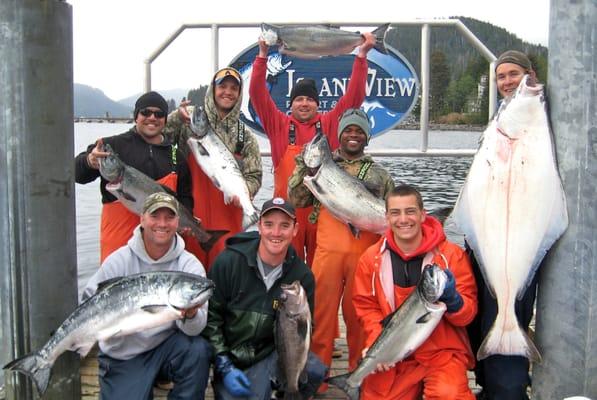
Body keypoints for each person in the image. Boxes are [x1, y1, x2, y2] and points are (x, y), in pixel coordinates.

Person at [288, 108, 395, 390]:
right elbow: (297, 198)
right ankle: (316, 380)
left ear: (367, 137)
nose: (353, 135)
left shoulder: (380, 175)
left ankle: (358, 379)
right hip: (327, 255)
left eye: (359, 130)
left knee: (359, 320)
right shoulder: (320, 166)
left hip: (366, 256)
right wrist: (303, 164)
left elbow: (394, 216)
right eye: (348, 130)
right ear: (340, 135)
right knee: (320, 318)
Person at [249, 32, 376, 267]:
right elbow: (257, 94)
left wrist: (361, 56)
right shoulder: (279, 125)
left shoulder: (329, 123)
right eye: (299, 99)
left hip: (325, 212)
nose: (304, 103)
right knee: (286, 271)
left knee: (320, 274)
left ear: (318, 104)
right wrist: (262, 55)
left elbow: (354, 96)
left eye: (309, 99)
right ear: (291, 104)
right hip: (287, 215)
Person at [352, 184, 478, 400]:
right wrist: (377, 345)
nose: (403, 219)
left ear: (422, 215)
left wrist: (454, 301)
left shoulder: (452, 255)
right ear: (387, 218)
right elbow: (367, 308)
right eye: (395, 213)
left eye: (410, 211)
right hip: (396, 351)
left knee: (449, 394)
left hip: (442, 351)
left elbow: (468, 315)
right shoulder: (370, 259)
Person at [81, 192, 211, 399]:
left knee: (197, 350)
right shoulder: (119, 261)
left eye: (169, 217)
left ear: (177, 222)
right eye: (155, 216)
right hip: (124, 354)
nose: (162, 223)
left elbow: (195, 330)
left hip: (167, 347)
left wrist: (191, 315)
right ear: (142, 218)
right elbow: (88, 299)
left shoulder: (190, 267)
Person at [466, 50, 540, 400]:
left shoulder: (534, 114)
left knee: (506, 306)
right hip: (489, 228)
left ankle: (507, 389)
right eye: (501, 76)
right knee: (481, 309)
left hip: (516, 230)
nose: (507, 82)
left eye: (514, 74)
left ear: (529, 74)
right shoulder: (501, 116)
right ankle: (488, 383)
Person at [202, 197, 326, 400]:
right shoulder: (227, 262)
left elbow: (306, 331)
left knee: (313, 370)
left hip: (271, 355)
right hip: (232, 359)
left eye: (284, 226)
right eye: (269, 224)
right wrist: (223, 363)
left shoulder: (302, 276)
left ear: (295, 229)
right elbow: (211, 318)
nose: (276, 233)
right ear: (259, 226)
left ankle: (283, 389)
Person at [75, 91, 193, 263]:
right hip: (118, 248)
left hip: (162, 249)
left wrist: (189, 223)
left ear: (165, 120)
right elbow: (77, 174)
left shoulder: (176, 154)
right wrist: (89, 161)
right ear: (136, 116)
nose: (152, 117)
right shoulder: (111, 145)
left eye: (159, 114)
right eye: (146, 112)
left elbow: (185, 197)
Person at [163, 67, 262, 270]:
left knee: (228, 279)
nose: (228, 91)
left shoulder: (246, 136)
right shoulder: (188, 120)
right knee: (190, 280)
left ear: (239, 93)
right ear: (213, 89)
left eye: (234, 88)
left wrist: (246, 193)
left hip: (230, 217)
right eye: (222, 86)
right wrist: (176, 118)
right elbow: (160, 137)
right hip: (191, 216)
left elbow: (254, 175)